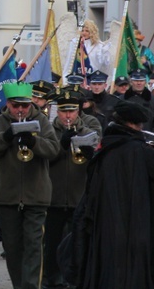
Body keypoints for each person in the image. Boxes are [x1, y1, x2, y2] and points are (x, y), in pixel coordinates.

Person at [68, 100, 154, 288]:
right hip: (136, 230)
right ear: (133, 125)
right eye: (139, 125)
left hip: (106, 231)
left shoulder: (105, 152)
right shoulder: (139, 151)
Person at [0, 82, 60, 289]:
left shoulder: (41, 120)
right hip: (8, 196)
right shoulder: (0, 121)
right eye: (16, 106)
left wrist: (34, 142)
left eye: (24, 106)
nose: (21, 110)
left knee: (34, 246)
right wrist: (5, 137)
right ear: (8, 104)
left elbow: (54, 150)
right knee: (13, 248)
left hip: (36, 196)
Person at [42, 87, 100, 289]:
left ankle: (75, 279)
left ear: (78, 111)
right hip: (54, 196)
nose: (68, 115)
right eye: (64, 111)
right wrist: (61, 145)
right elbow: (44, 159)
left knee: (77, 243)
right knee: (52, 243)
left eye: (72, 111)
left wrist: (91, 154)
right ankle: (52, 279)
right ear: (58, 112)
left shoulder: (90, 130)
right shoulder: (48, 131)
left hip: (79, 196)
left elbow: (99, 163)